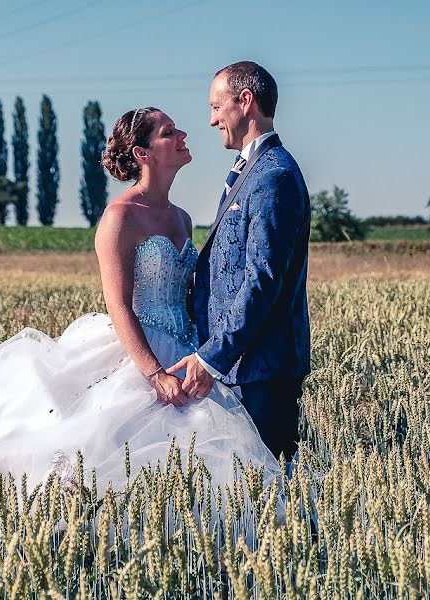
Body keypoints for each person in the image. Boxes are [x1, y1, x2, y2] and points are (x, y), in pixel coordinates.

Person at [0, 107, 279, 494]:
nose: (183, 135)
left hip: (185, 350)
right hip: (138, 353)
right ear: (142, 154)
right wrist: (154, 374)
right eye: (168, 132)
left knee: (194, 465)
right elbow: (119, 305)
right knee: (113, 458)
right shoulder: (119, 217)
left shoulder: (181, 218)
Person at [169, 61, 312, 471]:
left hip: (260, 369)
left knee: (269, 494)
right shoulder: (254, 170)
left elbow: (261, 279)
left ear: (245, 101)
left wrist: (212, 356)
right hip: (243, 365)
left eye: (217, 107)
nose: (212, 119)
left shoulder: (274, 175)